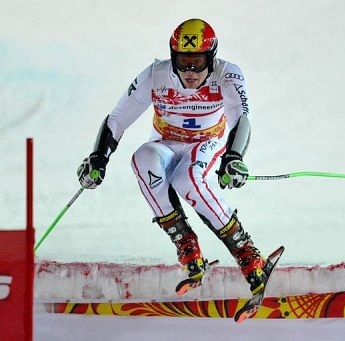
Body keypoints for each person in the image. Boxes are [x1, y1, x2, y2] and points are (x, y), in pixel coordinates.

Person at [77, 18, 267, 296]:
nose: (190, 71)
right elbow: (118, 118)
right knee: (142, 158)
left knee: (186, 179)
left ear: (211, 59)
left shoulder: (228, 73)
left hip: (206, 142)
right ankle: (187, 246)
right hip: (165, 143)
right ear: (172, 56)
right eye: (183, 61)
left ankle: (248, 254)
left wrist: (234, 156)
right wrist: (98, 157)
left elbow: (241, 118)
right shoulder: (156, 74)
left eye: (198, 62)